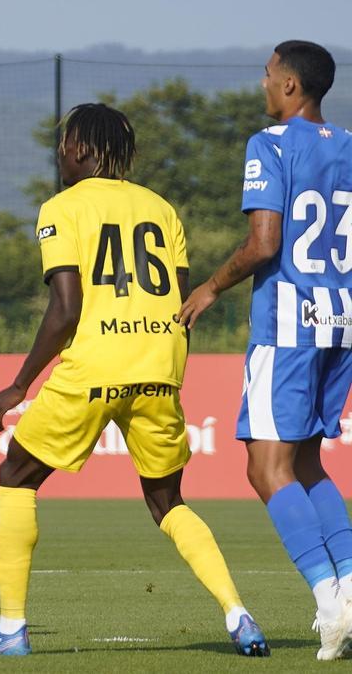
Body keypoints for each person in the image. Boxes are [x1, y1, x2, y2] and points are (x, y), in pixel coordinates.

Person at [0, 103, 268, 657]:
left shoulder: (61, 208)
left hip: (95, 365)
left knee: (16, 475)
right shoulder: (162, 208)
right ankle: (237, 613)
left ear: (79, 148)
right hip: (159, 366)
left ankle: (11, 631)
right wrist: (166, 370)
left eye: (63, 145)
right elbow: (178, 303)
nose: (60, 154)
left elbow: (66, 308)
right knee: (168, 500)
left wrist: (19, 385)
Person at [178, 40, 352, 661]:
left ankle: (331, 605)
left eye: (269, 74)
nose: (262, 82)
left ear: (290, 88)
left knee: (264, 468)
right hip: (339, 320)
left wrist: (210, 286)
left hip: (287, 324)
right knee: (306, 464)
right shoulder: (350, 146)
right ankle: (351, 586)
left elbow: (264, 242)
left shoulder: (270, 144)